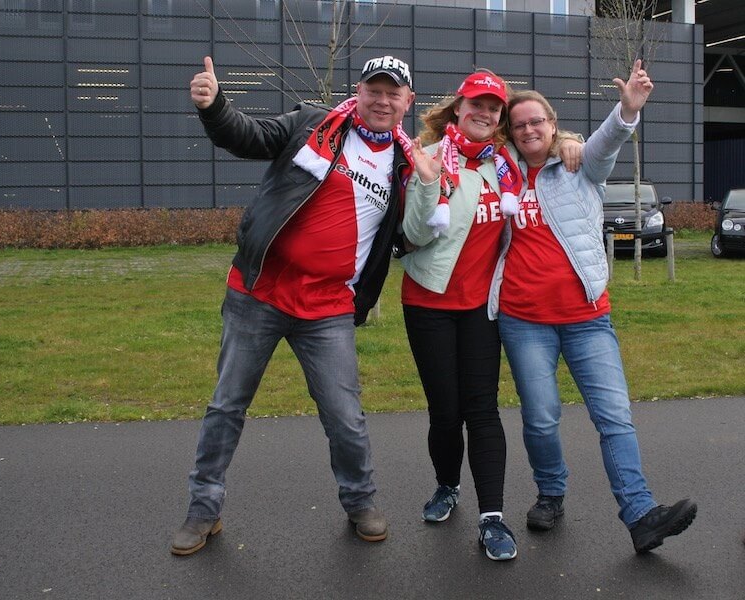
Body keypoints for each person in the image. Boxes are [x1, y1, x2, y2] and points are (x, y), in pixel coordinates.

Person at [171, 54, 416, 555]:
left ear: (407, 103)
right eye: (375, 89)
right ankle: (204, 509)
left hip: (328, 309)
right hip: (257, 293)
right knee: (226, 406)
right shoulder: (312, 124)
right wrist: (215, 106)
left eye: (394, 93)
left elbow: (422, 221)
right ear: (359, 91)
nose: (383, 99)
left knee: (344, 416)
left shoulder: (409, 164)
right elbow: (250, 136)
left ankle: (361, 501)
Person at [488, 59, 697, 554]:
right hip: (524, 321)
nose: (529, 129)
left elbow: (606, 143)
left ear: (553, 125)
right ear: (510, 134)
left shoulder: (581, 167)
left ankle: (641, 513)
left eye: (537, 121)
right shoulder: (499, 174)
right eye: (519, 125)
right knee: (540, 418)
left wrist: (626, 111)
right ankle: (551, 495)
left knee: (615, 416)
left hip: (587, 320)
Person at [400, 70, 581, 561]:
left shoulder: (506, 164)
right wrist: (424, 181)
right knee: (445, 411)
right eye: (475, 104)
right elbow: (415, 231)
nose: (484, 113)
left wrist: (569, 140)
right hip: (428, 302)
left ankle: (492, 518)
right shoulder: (430, 157)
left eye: (493, 108)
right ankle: (446, 485)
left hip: (483, 307)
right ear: (458, 108)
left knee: (481, 410)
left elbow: (544, 139)